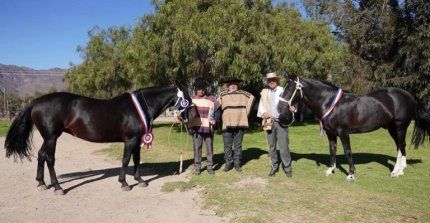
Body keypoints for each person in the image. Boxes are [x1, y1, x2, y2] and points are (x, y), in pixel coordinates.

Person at [257, 72, 296, 177]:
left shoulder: (283, 90)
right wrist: (263, 112)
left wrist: (294, 108)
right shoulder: (265, 93)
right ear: (267, 82)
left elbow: (293, 101)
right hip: (268, 121)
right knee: (271, 146)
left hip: (281, 122)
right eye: (269, 80)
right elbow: (261, 106)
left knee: (283, 147)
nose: (271, 81)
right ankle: (274, 166)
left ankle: (287, 168)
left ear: (276, 80)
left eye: (273, 79)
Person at [219, 77, 255, 172]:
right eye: (231, 84)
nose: (233, 85)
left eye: (235, 83)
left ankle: (237, 164)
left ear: (238, 85)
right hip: (227, 124)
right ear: (228, 85)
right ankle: (228, 164)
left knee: (238, 146)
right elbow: (217, 106)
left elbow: (252, 98)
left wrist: (245, 113)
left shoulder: (243, 94)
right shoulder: (222, 95)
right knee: (227, 146)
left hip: (240, 123)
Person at [188, 79, 221, 175]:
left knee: (209, 148)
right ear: (196, 89)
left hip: (208, 128)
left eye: (202, 89)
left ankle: (210, 166)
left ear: (205, 89)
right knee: (197, 148)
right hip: (196, 128)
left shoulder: (212, 99)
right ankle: (197, 167)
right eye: (199, 88)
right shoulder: (191, 99)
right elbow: (185, 112)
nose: (201, 90)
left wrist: (216, 119)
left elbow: (218, 111)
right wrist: (180, 116)